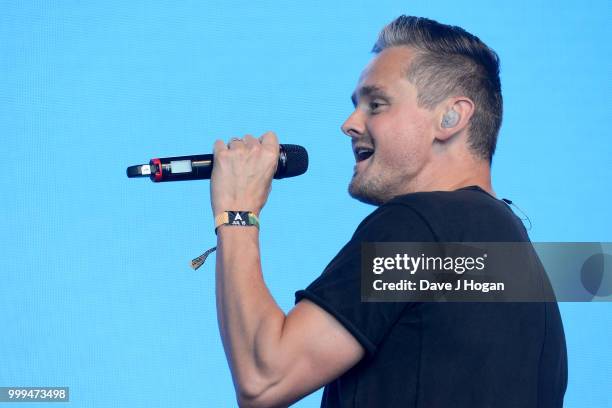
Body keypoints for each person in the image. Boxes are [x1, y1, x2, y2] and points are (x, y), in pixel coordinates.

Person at [209, 16, 567, 408]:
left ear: (451, 117)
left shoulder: (418, 227)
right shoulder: (522, 263)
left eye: (376, 104)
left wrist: (237, 211)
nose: (349, 124)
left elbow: (264, 379)